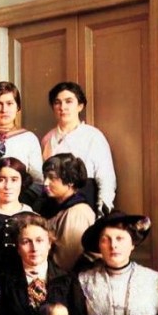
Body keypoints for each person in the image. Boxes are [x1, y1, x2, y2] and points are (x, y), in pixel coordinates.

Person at [40, 81, 116, 215]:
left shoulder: (93, 136)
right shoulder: (47, 139)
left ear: (80, 106)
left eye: (69, 101)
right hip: (53, 204)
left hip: (84, 201)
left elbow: (106, 178)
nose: (62, 107)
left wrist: (102, 212)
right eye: (57, 102)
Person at [0, 82, 44, 207]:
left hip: (19, 205)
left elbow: (38, 180)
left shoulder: (28, 139)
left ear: (18, 107)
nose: (4, 110)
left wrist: (17, 203)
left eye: (9, 103)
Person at [42, 153, 97, 271]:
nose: (45, 183)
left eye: (52, 178)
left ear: (70, 181)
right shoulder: (54, 205)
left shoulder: (77, 213)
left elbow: (66, 262)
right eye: (45, 177)